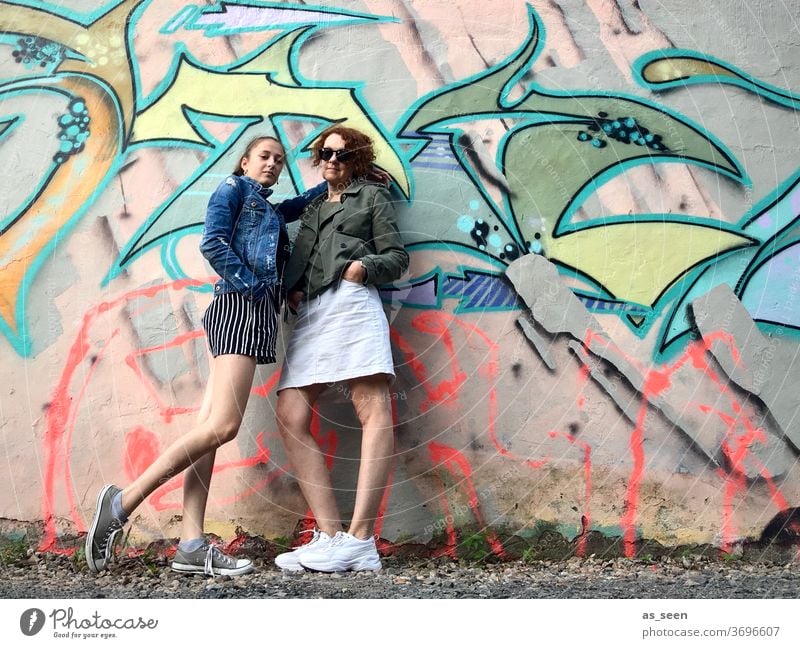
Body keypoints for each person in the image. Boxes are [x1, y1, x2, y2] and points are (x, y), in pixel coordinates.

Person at [85, 135, 327, 577]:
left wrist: (334, 181)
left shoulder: (267, 207)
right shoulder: (232, 189)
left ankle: (192, 543)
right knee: (224, 426)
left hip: (249, 313)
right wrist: (252, 288)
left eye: (279, 159)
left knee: (207, 429)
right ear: (244, 162)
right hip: (239, 308)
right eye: (264, 157)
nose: (272, 163)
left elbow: (294, 207)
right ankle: (122, 503)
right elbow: (213, 243)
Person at [273, 125, 408, 573]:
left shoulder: (371, 199)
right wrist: (293, 288)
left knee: (372, 409)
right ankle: (331, 536)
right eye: (325, 153)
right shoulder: (312, 203)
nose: (332, 160)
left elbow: (396, 257)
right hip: (311, 311)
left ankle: (361, 540)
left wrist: (360, 269)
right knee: (291, 413)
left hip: (350, 303)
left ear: (357, 160)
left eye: (343, 154)